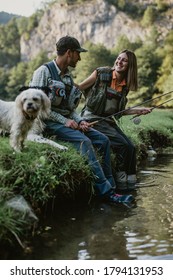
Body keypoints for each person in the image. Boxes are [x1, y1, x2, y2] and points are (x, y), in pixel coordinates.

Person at [29, 36, 134, 204]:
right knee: (84, 142)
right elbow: (36, 108)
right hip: (46, 123)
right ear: (69, 53)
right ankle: (106, 193)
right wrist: (65, 122)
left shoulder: (68, 78)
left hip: (63, 121)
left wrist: (80, 121)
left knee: (103, 140)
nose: (80, 58)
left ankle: (113, 187)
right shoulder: (43, 72)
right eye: (78, 54)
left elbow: (71, 110)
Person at [79, 49, 152, 191]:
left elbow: (118, 112)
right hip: (91, 118)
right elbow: (80, 88)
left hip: (106, 121)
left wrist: (138, 111)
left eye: (124, 60)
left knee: (130, 147)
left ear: (130, 65)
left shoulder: (124, 86)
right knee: (122, 145)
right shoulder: (101, 73)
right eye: (119, 58)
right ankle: (121, 184)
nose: (119, 62)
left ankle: (131, 184)